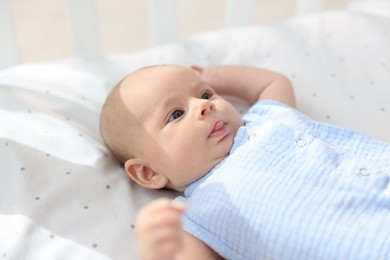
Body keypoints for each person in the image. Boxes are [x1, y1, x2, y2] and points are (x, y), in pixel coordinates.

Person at [100, 64, 390, 260]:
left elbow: (272, 82)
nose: (204, 106)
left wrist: (213, 75)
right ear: (148, 172)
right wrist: (160, 250)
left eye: (204, 94)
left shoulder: (264, 118)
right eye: (176, 114)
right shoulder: (196, 214)